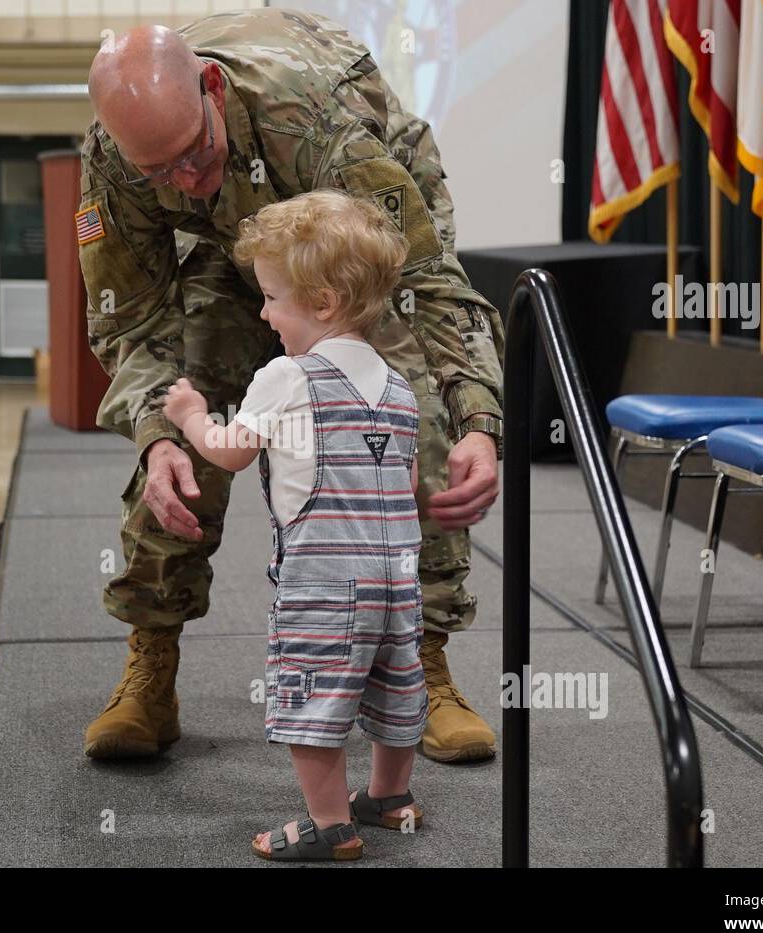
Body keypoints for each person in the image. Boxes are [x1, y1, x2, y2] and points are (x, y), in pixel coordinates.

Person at [79, 8, 505, 765]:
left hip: (355, 244)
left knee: (407, 419)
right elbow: (128, 320)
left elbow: (426, 280)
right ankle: (152, 659)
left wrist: (477, 417)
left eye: (192, 155)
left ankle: (425, 662)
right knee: (181, 435)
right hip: (237, 253)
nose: (183, 181)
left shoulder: (312, 119)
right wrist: (155, 433)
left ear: (212, 89)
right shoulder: (117, 159)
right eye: (160, 172)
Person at [163, 190, 425, 862]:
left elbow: (230, 450)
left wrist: (191, 415)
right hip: (398, 577)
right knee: (395, 685)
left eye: (273, 296)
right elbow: (408, 483)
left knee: (313, 694)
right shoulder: (398, 389)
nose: (263, 311)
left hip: (323, 579)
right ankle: (391, 798)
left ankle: (330, 824)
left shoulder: (287, 376)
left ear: (324, 303)